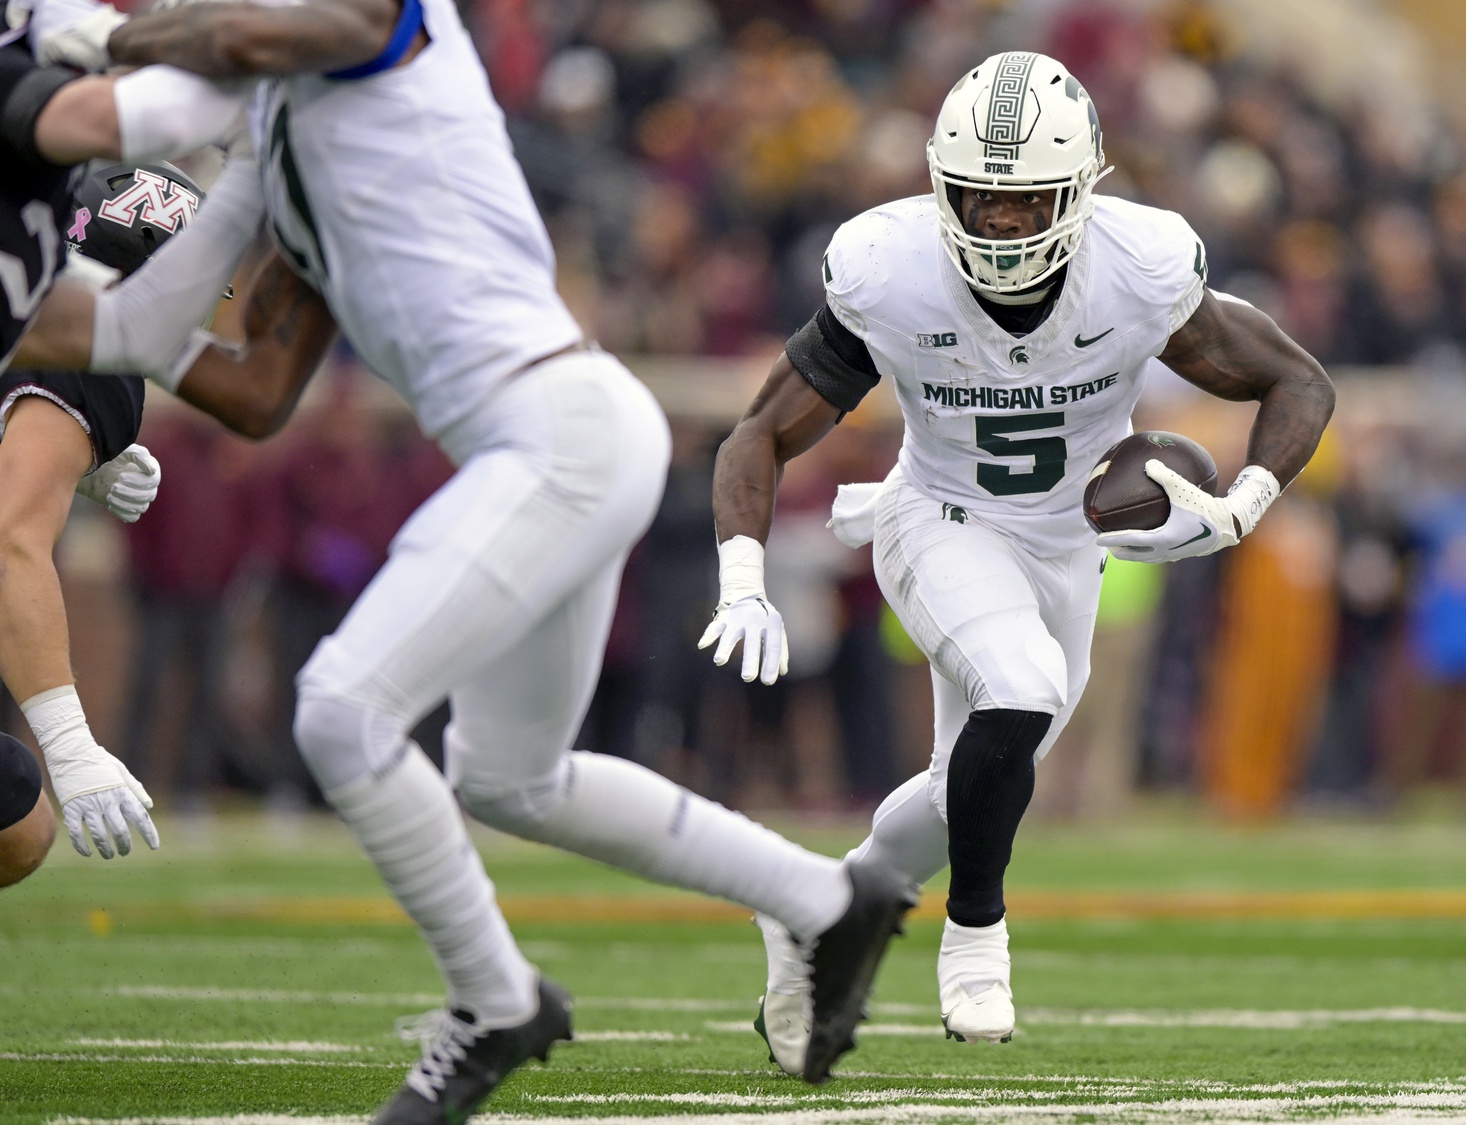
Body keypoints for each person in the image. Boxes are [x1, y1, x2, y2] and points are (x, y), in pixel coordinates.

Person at [39, 0, 918, 1116]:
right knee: (510, 779)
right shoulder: (275, 134)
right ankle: (823, 902)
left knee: (340, 714)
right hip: (554, 440)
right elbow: (217, 368)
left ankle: (495, 1001)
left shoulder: (376, 26)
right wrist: (27, 300)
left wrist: (97, 40)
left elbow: (266, 36)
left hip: (557, 430)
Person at [704, 51, 1335, 1063]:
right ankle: (976, 934)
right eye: (979, 201)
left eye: (1026, 201)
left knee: (984, 768)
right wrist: (743, 576)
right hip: (937, 516)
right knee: (1024, 687)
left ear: (1081, 192)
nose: (999, 226)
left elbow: (1297, 382)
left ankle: (817, 905)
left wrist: (1240, 508)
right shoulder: (891, 270)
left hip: (1072, 542)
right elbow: (758, 432)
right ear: (940, 186)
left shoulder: (1141, 269)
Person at [0, 10, 284, 885]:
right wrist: (73, 742)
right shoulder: (95, 354)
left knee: (14, 813)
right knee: (20, 818)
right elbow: (11, 537)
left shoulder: (32, 265)